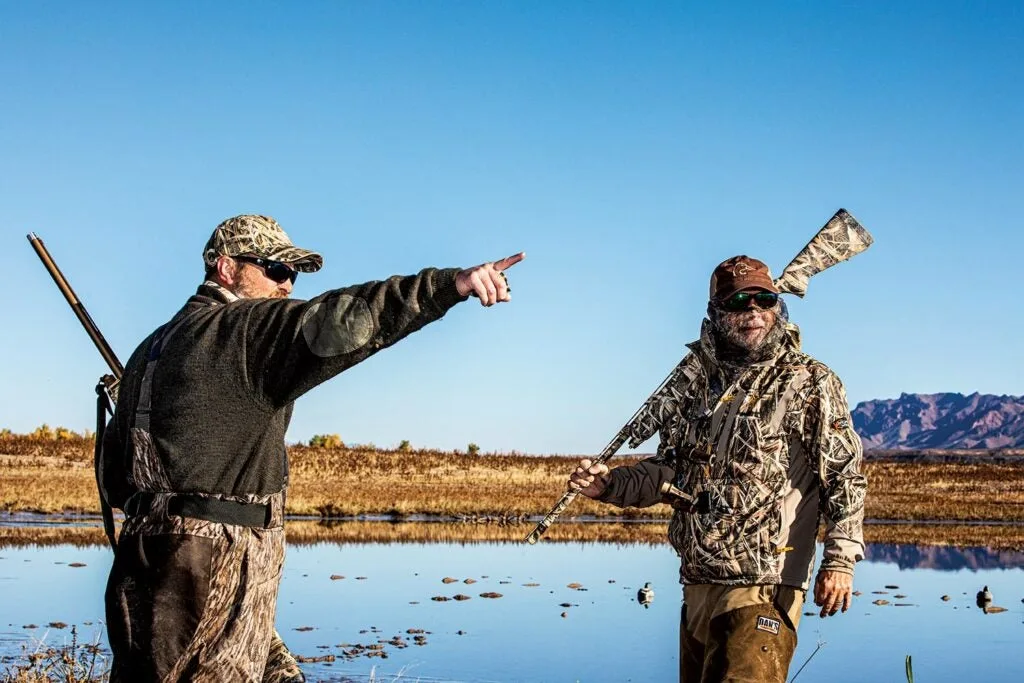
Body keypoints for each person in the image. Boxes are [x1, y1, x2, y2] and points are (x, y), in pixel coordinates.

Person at [99, 214, 523, 683]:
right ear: (225, 268)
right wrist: (451, 285)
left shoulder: (147, 351)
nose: (287, 285)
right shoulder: (245, 329)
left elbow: (116, 482)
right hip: (216, 565)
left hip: (143, 566)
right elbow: (350, 319)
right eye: (274, 269)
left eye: (293, 274)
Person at [567, 255, 866, 683]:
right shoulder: (695, 385)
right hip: (698, 585)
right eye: (739, 301)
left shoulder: (808, 381)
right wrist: (609, 485)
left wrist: (840, 561)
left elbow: (844, 474)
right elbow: (669, 472)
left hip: (765, 585)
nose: (753, 312)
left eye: (765, 300)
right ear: (716, 312)